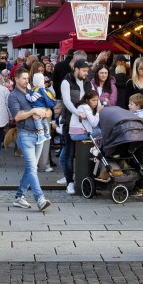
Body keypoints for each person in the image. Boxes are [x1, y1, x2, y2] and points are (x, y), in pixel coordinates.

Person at [7, 68, 53, 211]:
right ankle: (40, 198)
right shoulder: (13, 96)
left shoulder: (33, 92)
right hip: (25, 134)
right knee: (33, 167)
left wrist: (44, 112)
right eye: (24, 78)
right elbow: (17, 116)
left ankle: (19, 196)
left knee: (30, 168)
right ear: (16, 79)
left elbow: (50, 109)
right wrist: (33, 111)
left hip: (39, 134)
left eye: (28, 78)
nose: (27, 81)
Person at [59, 58, 94, 193]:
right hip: (69, 121)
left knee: (84, 150)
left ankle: (81, 178)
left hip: (84, 122)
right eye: (84, 71)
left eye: (87, 71)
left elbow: (91, 98)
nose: (86, 73)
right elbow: (67, 102)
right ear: (76, 69)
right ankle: (70, 182)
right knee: (69, 153)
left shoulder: (87, 83)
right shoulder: (66, 82)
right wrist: (78, 113)